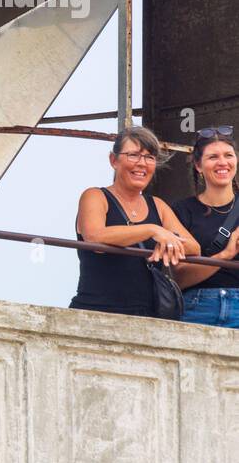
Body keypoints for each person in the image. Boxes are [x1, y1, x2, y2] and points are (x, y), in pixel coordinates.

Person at [70, 126, 198, 318]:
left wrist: (167, 241)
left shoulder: (157, 205)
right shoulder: (95, 196)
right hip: (95, 312)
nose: (142, 163)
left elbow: (194, 248)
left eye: (149, 157)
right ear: (114, 160)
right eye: (133, 155)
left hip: (146, 317)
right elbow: (94, 237)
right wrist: (152, 231)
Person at [171, 127, 239, 327]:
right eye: (213, 157)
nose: (222, 162)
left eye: (228, 155)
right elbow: (179, 278)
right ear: (198, 165)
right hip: (196, 306)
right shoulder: (181, 210)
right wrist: (225, 256)